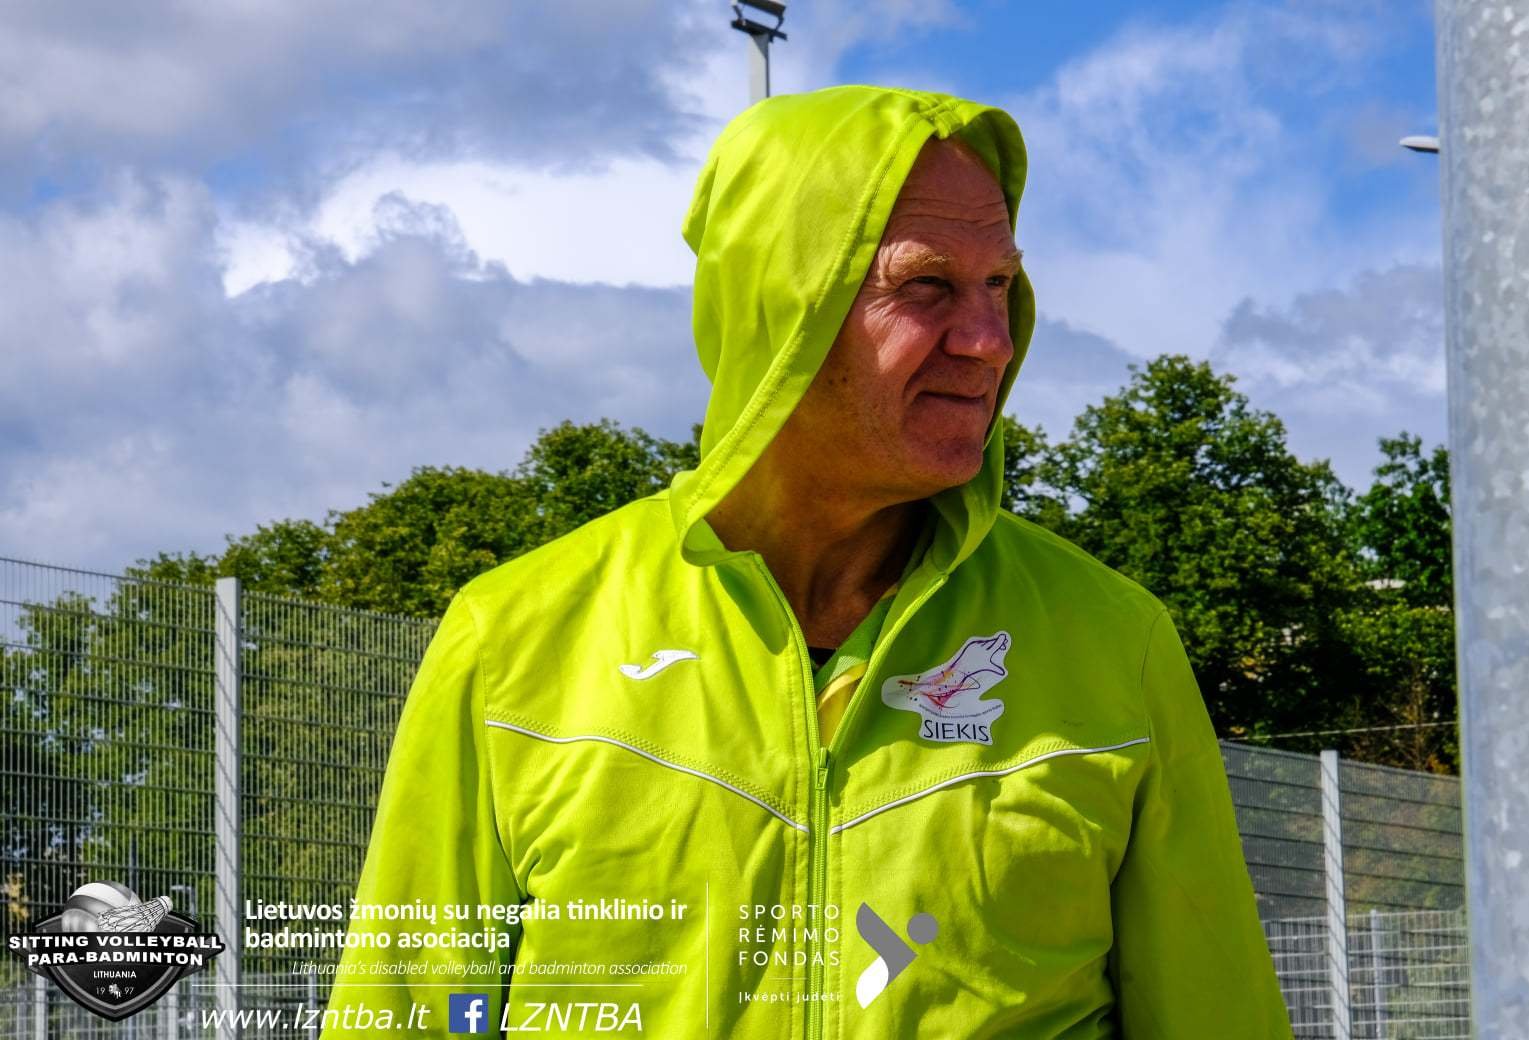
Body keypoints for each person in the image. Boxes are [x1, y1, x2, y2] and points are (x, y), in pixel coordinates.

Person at [324, 84, 1294, 1038]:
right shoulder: (512, 640)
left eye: (1000, 285)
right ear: (778, 308)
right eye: (927, 286)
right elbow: (406, 1012)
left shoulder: (1115, 641)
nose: (991, 342)